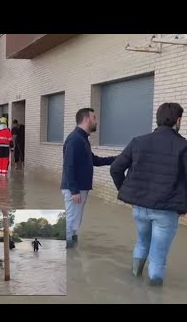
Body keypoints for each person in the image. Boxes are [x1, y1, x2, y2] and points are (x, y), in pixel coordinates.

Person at [110, 102, 187, 286]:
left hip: (139, 208)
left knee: (142, 243)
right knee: (158, 256)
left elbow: (115, 168)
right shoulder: (183, 146)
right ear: (177, 120)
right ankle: (153, 294)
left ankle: (135, 281)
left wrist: (126, 192)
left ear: (158, 120)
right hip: (166, 211)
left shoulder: (138, 141)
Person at [61, 108, 117, 248]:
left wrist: (118, 159)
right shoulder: (75, 139)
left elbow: (94, 160)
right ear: (86, 119)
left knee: (75, 221)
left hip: (79, 188)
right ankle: (67, 253)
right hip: (75, 189)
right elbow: (68, 165)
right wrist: (74, 191)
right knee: (71, 220)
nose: (96, 121)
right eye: (94, 118)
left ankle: (72, 252)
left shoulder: (82, 139)